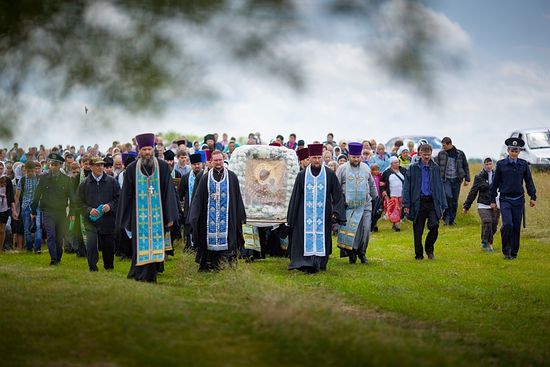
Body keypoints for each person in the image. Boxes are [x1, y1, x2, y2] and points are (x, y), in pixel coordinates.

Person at [116, 133, 180, 282]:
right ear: (139, 150)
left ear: (153, 149)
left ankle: (151, 274)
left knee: (156, 245)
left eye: (149, 149)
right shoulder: (131, 169)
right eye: (144, 149)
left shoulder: (163, 167)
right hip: (138, 217)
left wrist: (170, 216)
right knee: (139, 246)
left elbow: (168, 192)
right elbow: (126, 195)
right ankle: (139, 273)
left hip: (159, 216)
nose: (147, 152)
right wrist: (125, 218)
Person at [287, 143, 346, 273]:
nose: (317, 160)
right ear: (310, 157)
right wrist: (291, 217)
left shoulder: (329, 174)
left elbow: (337, 194)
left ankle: (320, 263)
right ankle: (305, 263)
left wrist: (337, 212)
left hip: (323, 214)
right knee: (304, 237)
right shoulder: (302, 175)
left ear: (322, 158)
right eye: (314, 158)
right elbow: (295, 196)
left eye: (319, 157)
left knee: (322, 237)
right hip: (304, 214)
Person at [189, 150, 246, 271]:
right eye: (216, 160)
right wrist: (194, 216)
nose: (218, 162)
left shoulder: (232, 177)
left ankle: (227, 264)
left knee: (229, 239)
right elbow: (198, 198)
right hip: (209, 218)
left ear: (224, 159)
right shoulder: (205, 178)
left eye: (220, 160)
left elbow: (237, 197)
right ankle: (210, 264)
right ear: (211, 162)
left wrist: (240, 215)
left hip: (228, 217)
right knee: (207, 241)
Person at [489, 138, 537, 260]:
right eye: (512, 150)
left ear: (519, 152)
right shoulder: (501, 164)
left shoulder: (523, 164)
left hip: (519, 200)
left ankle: (514, 252)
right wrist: (493, 200)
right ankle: (506, 251)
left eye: (516, 151)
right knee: (508, 224)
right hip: (505, 199)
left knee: (516, 226)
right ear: (508, 151)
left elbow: (529, 181)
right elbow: (495, 183)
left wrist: (533, 196)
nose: (514, 153)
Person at [402, 144, 447, 260]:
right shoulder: (413, 168)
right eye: (424, 154)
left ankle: (429, 248)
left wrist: (443, 204)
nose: (426, 157)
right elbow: (406, 187)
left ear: (431, 153)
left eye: (428, 154)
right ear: (419, 153)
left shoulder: (436, 168)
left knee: (435, 225)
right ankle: (419, 254)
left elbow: (440, 187)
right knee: (418, 231)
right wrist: (406, 204)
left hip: (432, 202)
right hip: (418, 202)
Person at [335, 142, 377, 264]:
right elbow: (337, 188)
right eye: (354, 157)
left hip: (365, 204)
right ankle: (351, 252)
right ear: (349, 156)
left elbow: (371, 184)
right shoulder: (342, 169)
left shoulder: (365, 167)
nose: (356, 159)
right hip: (348, 206)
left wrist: (376, 198)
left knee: (365, 229)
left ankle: (362, 252)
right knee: (351, 231)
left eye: (358, 157)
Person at [76, 157, 120, 271]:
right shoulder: (84, 184)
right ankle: (92, 267)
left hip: (108, 219)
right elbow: (78, 203)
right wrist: (89, 210)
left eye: (101, 165)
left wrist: (110, 206)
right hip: (91, 221)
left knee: (108, 245)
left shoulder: (112, 181)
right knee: (91, 244)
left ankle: (109, 267)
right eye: (97, 165)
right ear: (91, 167)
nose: (100, 167)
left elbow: (119, 199)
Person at [31, 153, 74, 265]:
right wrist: (33, 210)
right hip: (48, 211)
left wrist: (72, 212)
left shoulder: (66, 179)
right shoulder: (44, 178)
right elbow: (37, 194)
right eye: (52, 164)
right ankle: (53, 259)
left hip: (61, 212)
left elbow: (72, 197)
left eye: (56, 165)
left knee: (59, 237)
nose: (53, 167)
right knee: (51, 235)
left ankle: (58, 257)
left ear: (60, 165)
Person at [462, 157, 499, 253]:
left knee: (493, 226)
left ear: (492, 164)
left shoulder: (498, 175)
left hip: (495, 204)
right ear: (483, 165)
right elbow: (473, 192)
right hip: (483, 204)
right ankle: (489, 244)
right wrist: (466, 206)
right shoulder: (479, 177)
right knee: (487, 222)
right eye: (486, 164)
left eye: (490, 164)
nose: (489, 166)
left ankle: (484, 238)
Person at [437, 137, 470, 225]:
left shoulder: (460, 153)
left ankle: (452, 220)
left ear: (449, 144)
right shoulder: (441, 154)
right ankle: (446, 218)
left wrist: (467, 178)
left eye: (444, 145)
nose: (443, 147)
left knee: (455, 199)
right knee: (448, 197)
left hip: (457, 179)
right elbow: (436, 166)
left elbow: (465, 165)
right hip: (445, 179)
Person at [13, 161, 42, 253]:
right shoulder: (22, 180)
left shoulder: (38, 179)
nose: (30, 173)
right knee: (26, 227)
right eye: (28, 171)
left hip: (37, 206)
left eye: (31, 171)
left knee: (38, 225)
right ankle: (29, 247)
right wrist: (16, 210)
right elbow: (17, 196)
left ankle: (37, 247)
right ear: (25, 170)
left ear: (34, 170)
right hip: (25, 206)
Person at [178, 153, 204, 251]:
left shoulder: (205, 176)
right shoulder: (185, 177)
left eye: (198, 164)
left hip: (202, 207)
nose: (197, 166)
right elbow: (180, 193)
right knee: (189, 226)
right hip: (189, 207)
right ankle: (190, 245)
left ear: (202, 164)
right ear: (191, 165)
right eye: (194, 164)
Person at [381, 156, 407, 231]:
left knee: (400, 210)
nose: (397, 164)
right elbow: (382, 184)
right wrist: (383, 191)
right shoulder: (386, 172)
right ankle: (397, 224)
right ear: (391, 164)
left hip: (402, 194)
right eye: (395, 162)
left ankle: (395, 223)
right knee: (394, 210)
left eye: (398, 162)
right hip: (392, 195)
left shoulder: (403, 170)